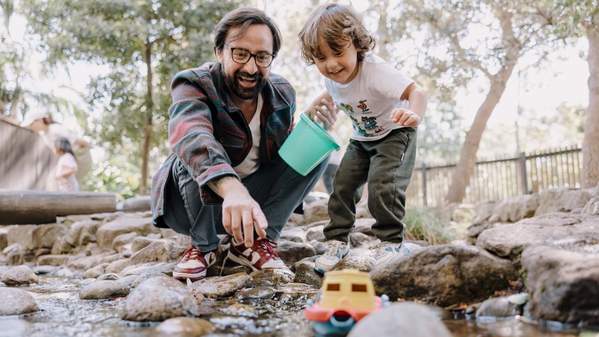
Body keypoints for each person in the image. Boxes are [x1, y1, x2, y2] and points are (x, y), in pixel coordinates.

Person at [150, 7, 327, 282]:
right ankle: (203, 245)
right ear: (219, 51)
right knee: (187, 154)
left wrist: (310, 127)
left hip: (251, 204)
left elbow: (283, 154)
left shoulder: (282, 93)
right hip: (192, 202)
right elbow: (192, 136)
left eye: (262, 57)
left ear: (272, 59)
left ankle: (254, 242)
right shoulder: (192, 83)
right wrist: (232, 189)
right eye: (240, 53)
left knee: (316, 150)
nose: (250, 67)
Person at [298, 3, 427, 273]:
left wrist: (414, 114)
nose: (331, 64)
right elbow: (333, 94)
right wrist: (316, 106)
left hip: (395, 132)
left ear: (356, 43)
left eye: (337, 52)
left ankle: (392, 242)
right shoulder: (331, 78)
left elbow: (416, 91)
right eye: (321, 58)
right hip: (362, 138)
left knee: (383, 186)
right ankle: (337, 241)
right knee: (342, 185)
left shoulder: (376, 71)